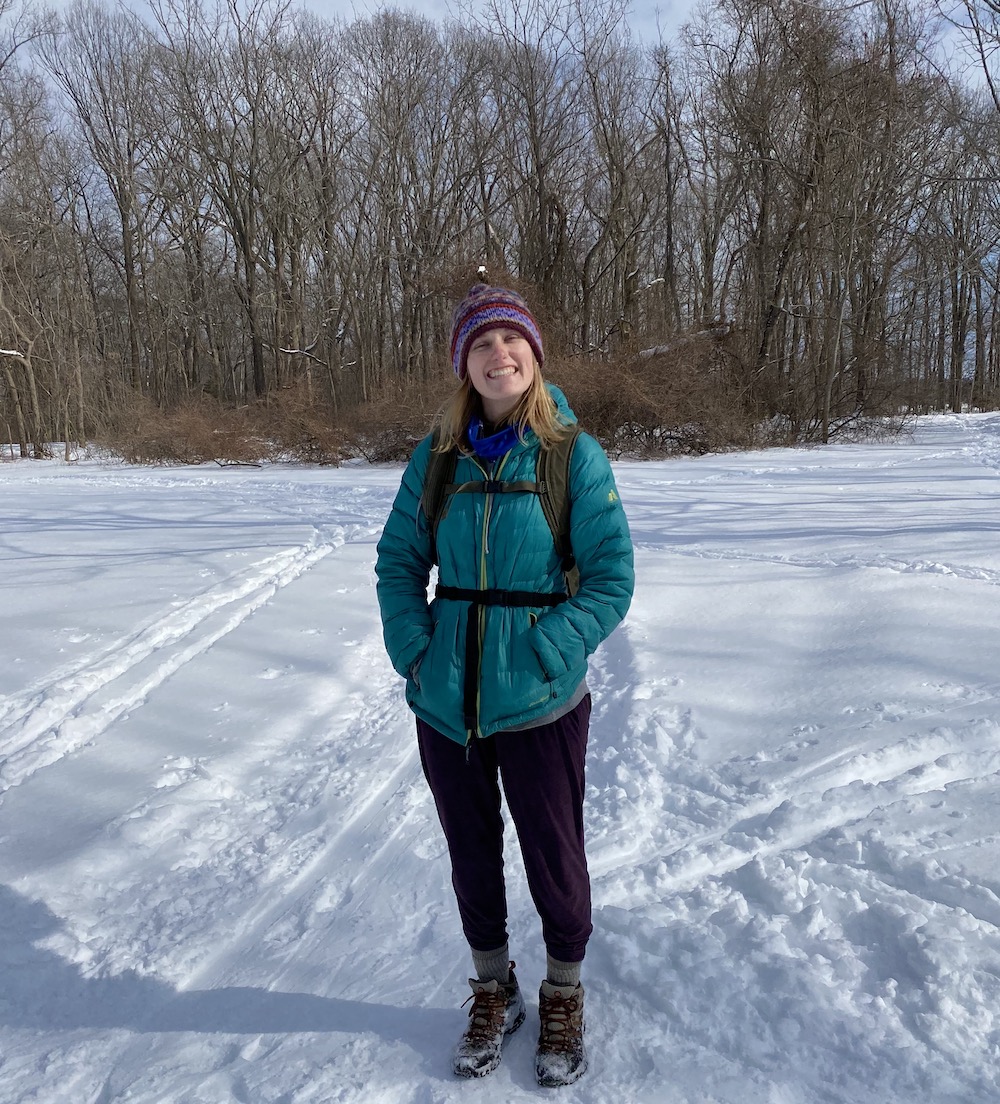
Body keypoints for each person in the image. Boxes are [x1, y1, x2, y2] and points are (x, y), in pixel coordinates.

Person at [375, 283, 634, 1087]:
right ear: (464, 364)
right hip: (447, 700)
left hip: (540, 700)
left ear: (534, 353)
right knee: (471, 852)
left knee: (554, 851)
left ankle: (563, 991)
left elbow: (610, 578)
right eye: (481, 345)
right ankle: (495, 988)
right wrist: (418, 652)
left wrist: (550, 647)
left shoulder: (570, 454)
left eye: (510, 341)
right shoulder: (438, 455)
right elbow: (397, 564)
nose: (498, 356)